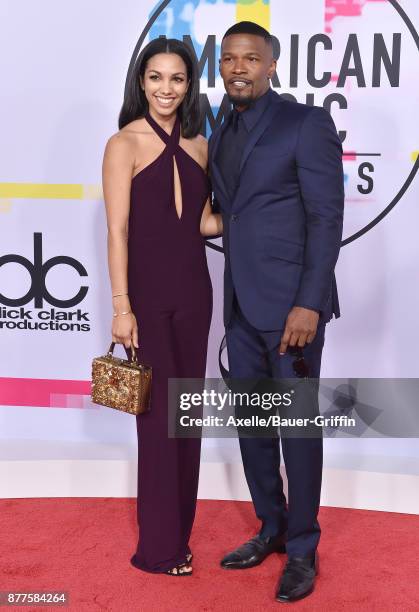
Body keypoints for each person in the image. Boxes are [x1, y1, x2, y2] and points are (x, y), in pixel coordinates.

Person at [208, 22, 344, 602]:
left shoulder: (304, 123)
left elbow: (325, 218)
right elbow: (229, 211)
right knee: (254, 425)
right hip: (239, 303)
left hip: (292, 309)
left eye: (251, 59)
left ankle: (304, 548)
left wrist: (309, 302)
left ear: (272, 66)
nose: (239, 68)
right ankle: (272, 526)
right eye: (229, 59)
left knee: (296, 429)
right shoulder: (221, 124)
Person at [102, 37, 222, 576]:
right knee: (156, 423)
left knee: (186, 418)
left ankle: (181, 536)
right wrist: (122, 305)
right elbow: (118, 230)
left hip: (195, 292)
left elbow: (201, 223)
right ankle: (158, 549)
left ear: (189, 84)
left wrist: (263, 218)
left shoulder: (200, 143)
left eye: (176, 79)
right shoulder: (122, 143)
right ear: (141, 82)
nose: (165, 89)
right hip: (146, 299)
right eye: (155, 78)